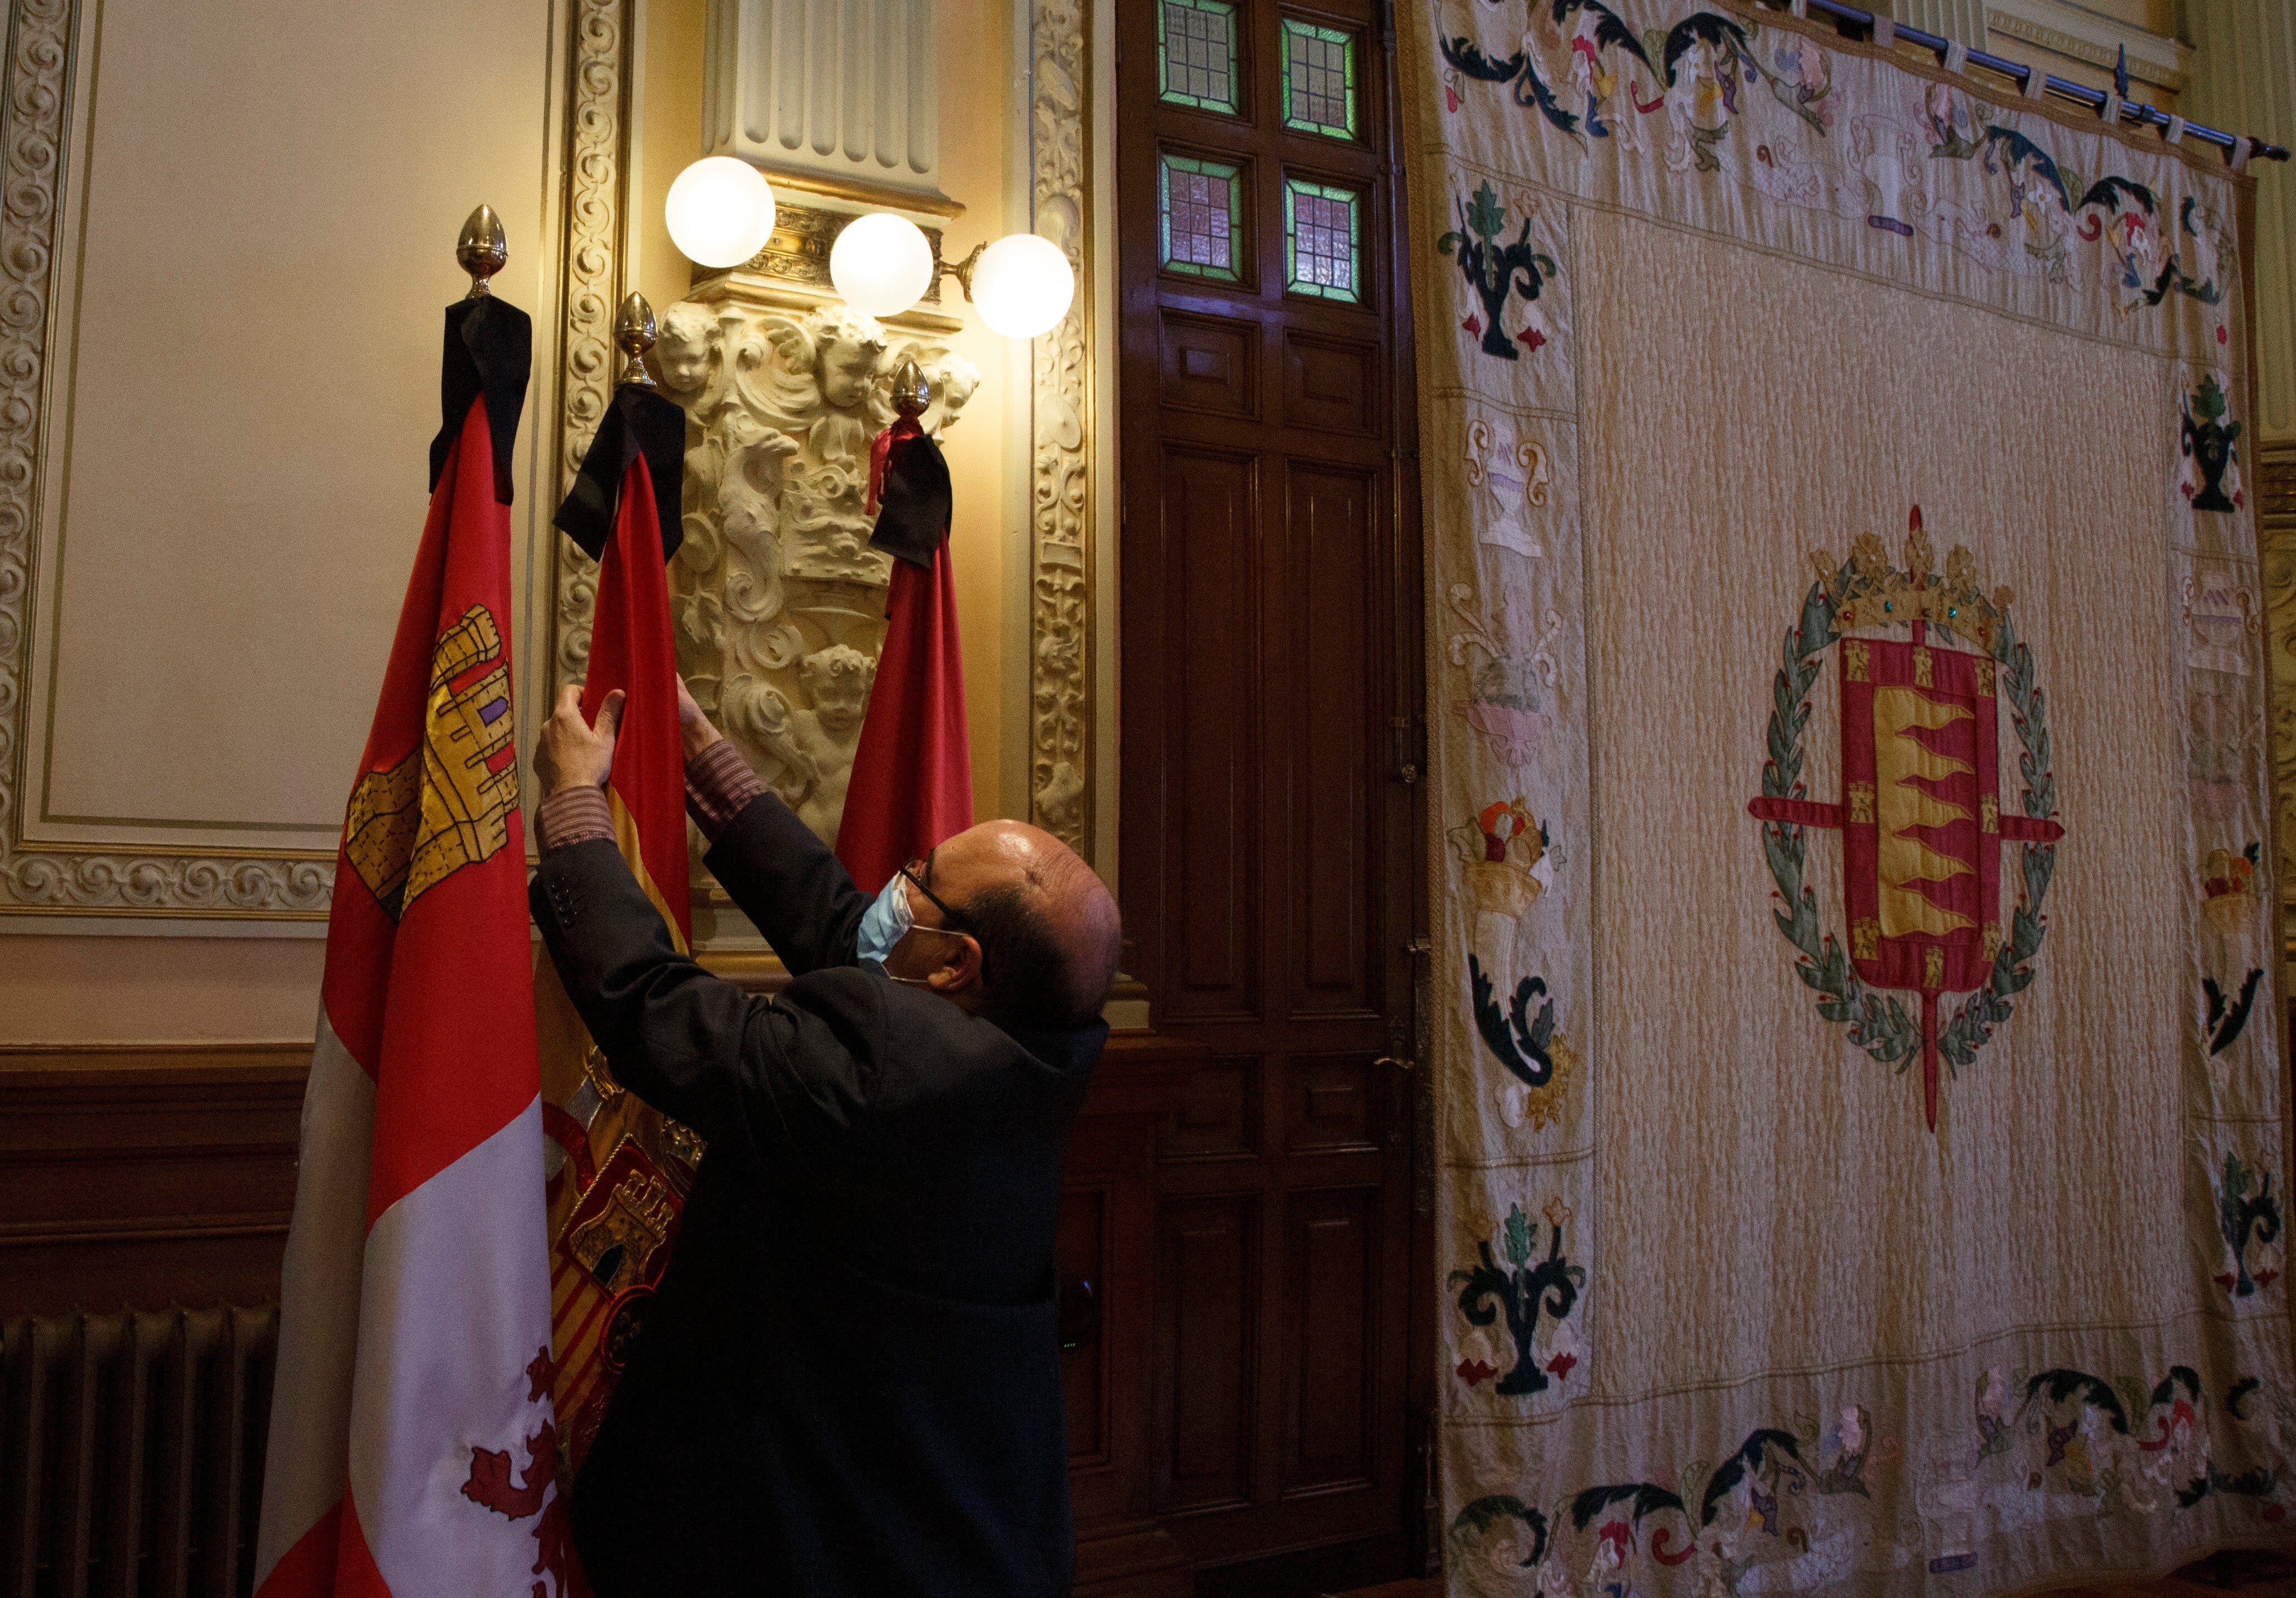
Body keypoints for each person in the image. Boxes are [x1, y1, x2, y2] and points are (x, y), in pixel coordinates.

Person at [527, 676, 1122, 1597]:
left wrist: (572, 809)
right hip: (970, 1546)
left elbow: (653, 1009)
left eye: (916, 879)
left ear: (958, 965)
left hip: (823, 1552)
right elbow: (849, 933)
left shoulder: (884, 1087)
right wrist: (702, 754)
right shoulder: (1027, 1049)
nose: (892, 889)